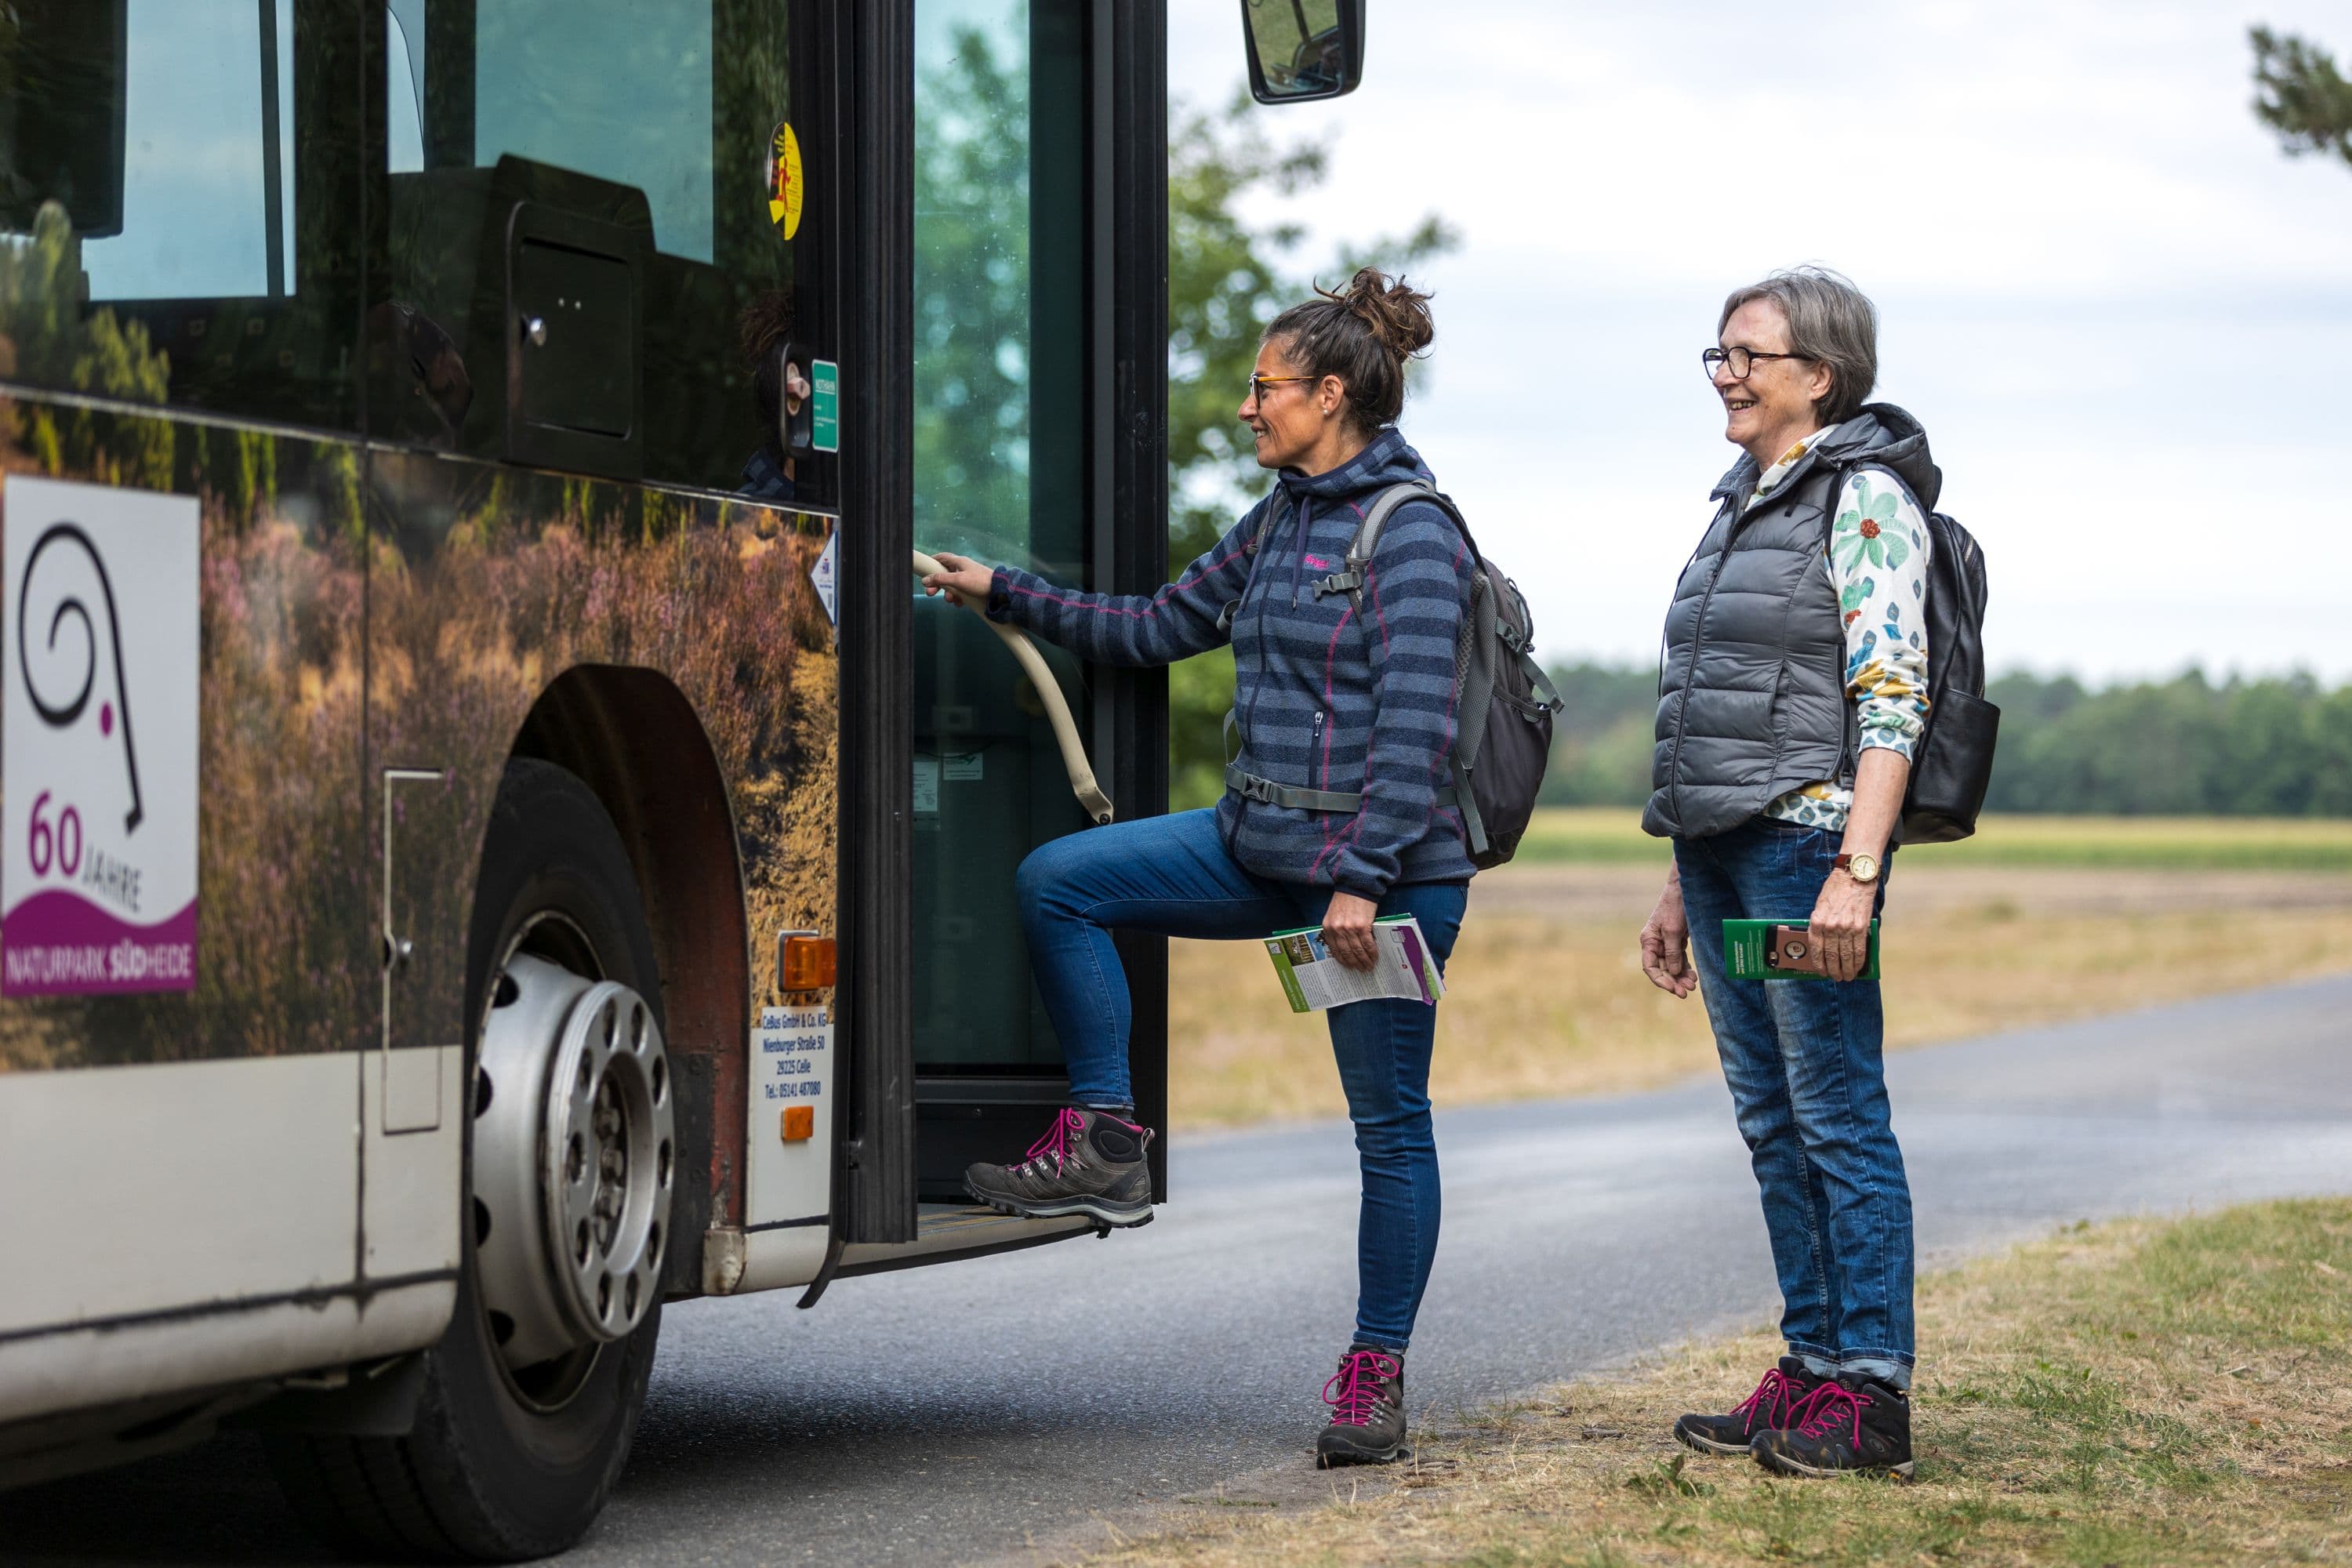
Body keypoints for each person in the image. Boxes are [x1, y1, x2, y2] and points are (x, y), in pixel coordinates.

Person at [921, 268, 1475, 1468]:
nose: (1246, 408)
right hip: (1260, 847)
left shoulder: (1413, 532)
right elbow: (1160, 627)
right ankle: (1107, 1140)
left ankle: (1375, 1373)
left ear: (1333, 396)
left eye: (1265, 388)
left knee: (1387, 1129)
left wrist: (1362, 881)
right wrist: (1000, 592)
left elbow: (1419, 728)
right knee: (1057, 881)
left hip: (1380, 883)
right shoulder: (1280, 517)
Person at [1638, 267, 1935, 1480]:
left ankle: (1870, 1392)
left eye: (1748, 356)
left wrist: (1856, 872)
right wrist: (1675, 875)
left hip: (1808, 844)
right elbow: (1708, 711)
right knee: (1772, 1122)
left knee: (1836, 1116)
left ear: (1820, 373)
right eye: (1717, 354)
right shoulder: (1739, 505)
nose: (1726, 374)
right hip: (1721, 852)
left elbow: (1892, 694)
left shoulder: (1862, 500)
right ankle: (1813, 1364)